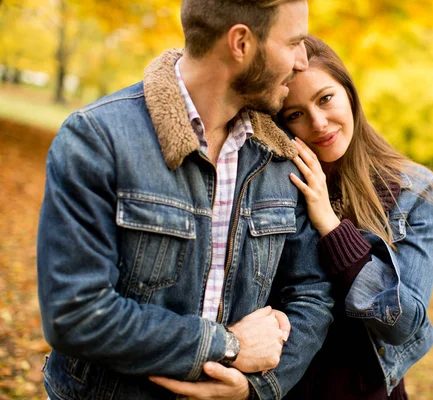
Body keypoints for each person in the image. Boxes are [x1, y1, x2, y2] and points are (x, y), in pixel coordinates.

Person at [36, 2, 334, 400]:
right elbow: (75, 314)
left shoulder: (277, 156)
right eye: (294, 42)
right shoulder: (98, 139)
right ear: (241, 42)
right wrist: (227, 346)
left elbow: (311, 292)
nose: (302, 61)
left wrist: (253, 387)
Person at [277, 35, 433, 399]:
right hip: (283, 387)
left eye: (325, 98)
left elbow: (404, 323)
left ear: (349, 92)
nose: (319, 123)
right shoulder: (276, 183)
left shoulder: (415, 191)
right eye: (296, 114)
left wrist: (332, 229)